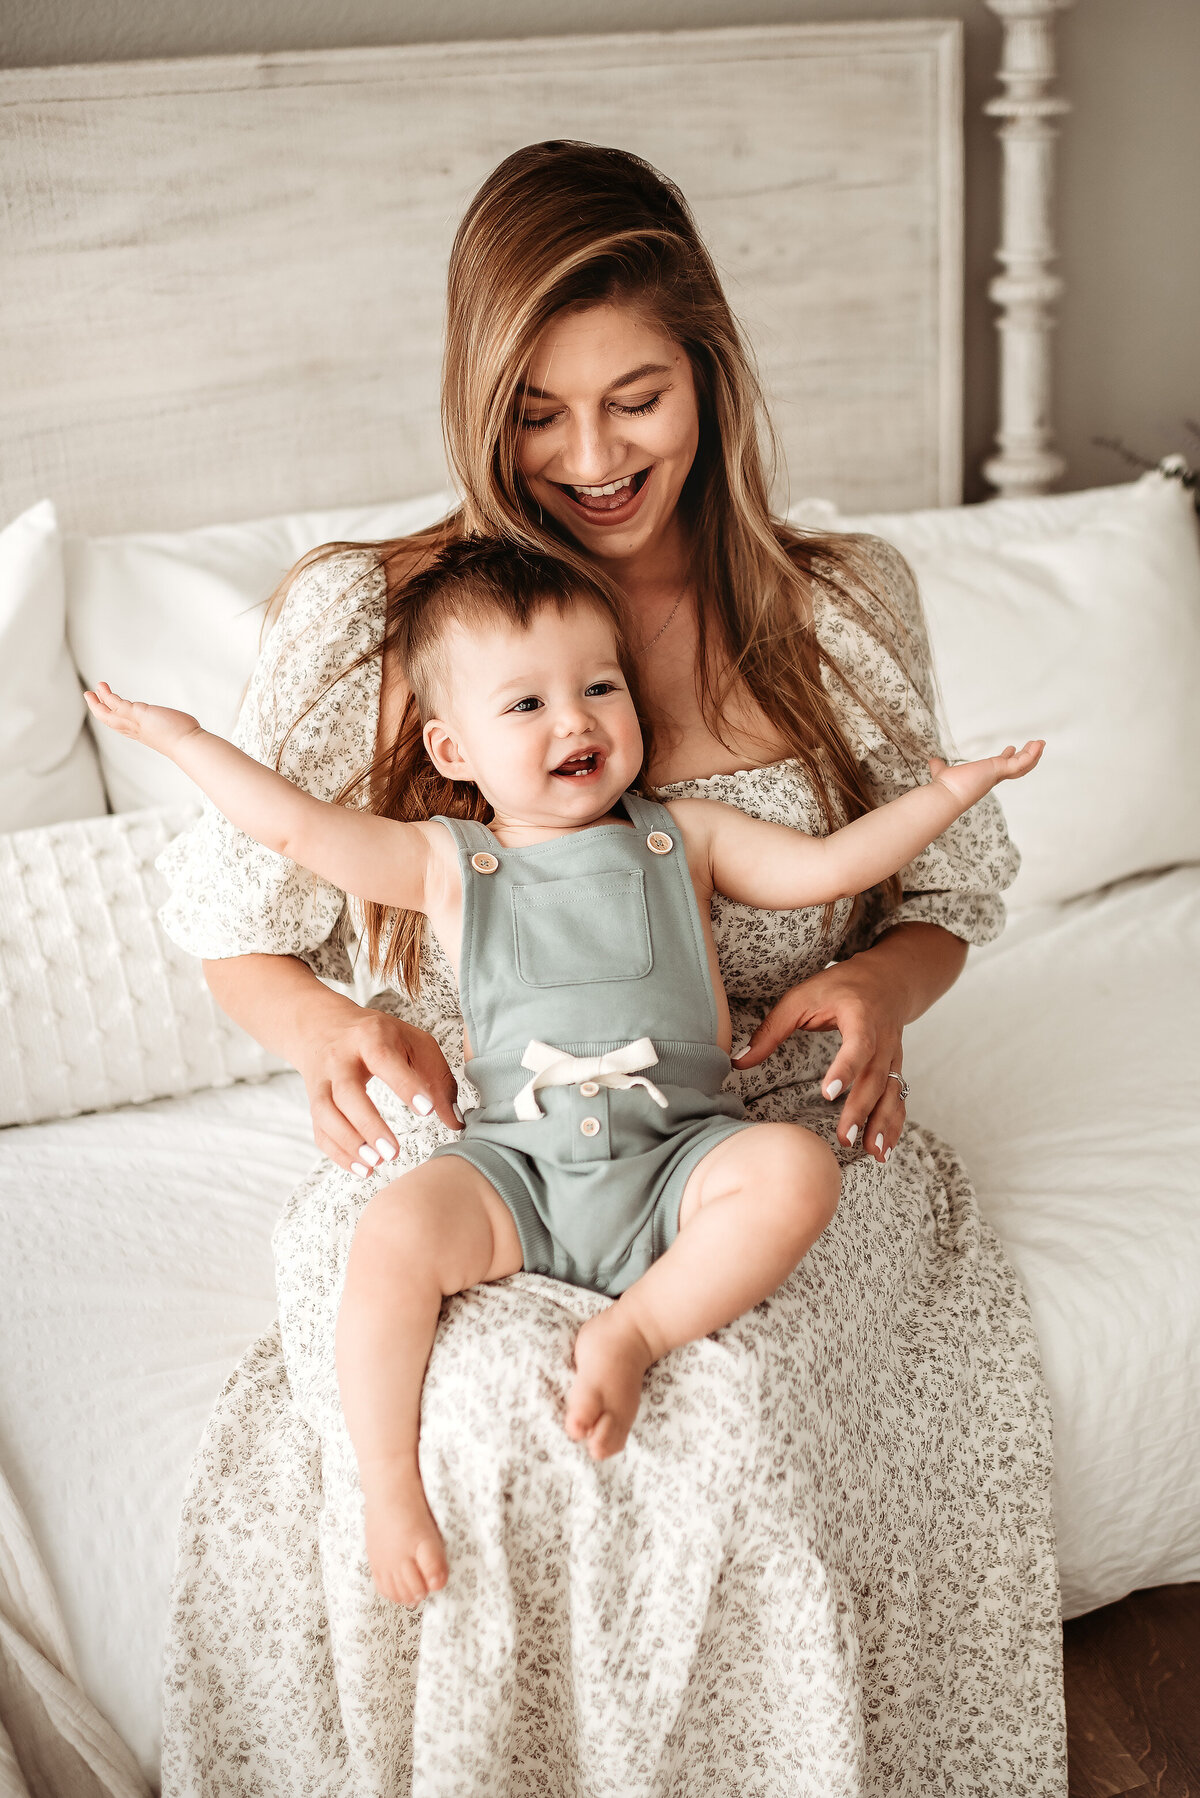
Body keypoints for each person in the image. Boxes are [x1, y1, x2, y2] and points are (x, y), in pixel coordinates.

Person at [158, 142, 1067, 1795]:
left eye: (637, 397)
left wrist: (880, 991)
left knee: (747, 1423)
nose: (589, 458)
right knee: (487, 1426)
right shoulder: (375, 622)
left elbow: (931, 890)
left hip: (751, 1136)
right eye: (535, 413)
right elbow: (242, 922)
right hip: (478, 1148)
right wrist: (333, 1028)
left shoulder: (841, 607)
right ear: (475, 399)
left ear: (711, 370)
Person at [87, 539, 1044, 1612]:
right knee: (390, 1241)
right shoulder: (447, 863)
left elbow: (831, 868)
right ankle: (390, 1485)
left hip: (683, 1149)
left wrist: (947, 797)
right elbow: (295, 826)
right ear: (453, 748)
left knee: (793, 1175)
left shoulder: (689, 837)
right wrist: (185, 741)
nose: (574, 720)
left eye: (599, 686)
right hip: (518, 1169)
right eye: (527, 704)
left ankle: (633, 1330)